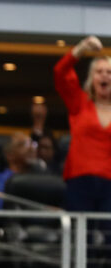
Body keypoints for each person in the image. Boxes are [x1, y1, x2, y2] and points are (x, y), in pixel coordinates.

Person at [54, 35, 111, 221]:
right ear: (92, 78)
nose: (104, 75)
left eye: (109, 72)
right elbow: (61, 72)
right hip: (80, 180)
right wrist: (82, 47)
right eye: (99, 72)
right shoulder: (79, 102)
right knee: (82, 239)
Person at [0, 132, 39, 206]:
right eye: (23, 144)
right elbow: (1, 209)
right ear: (9, 155)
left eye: (32, 144)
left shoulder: (40, 179)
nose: (31, 148)